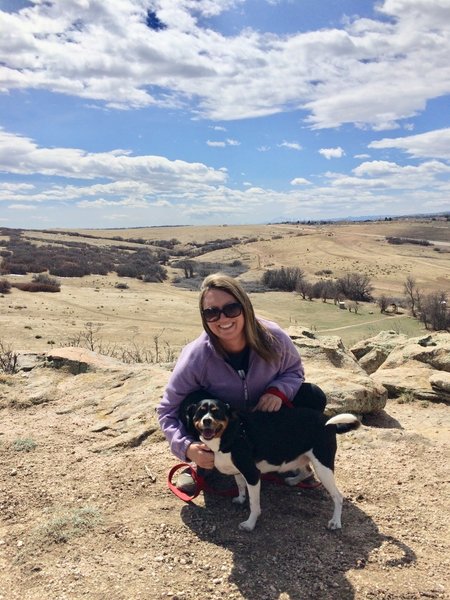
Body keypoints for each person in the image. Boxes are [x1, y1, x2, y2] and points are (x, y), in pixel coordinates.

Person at [157, 273, 327, 490]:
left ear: (245, 306)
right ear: (204, 317)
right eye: (212, 313)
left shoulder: (274, 337)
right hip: (223, 427)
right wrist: (187, 447)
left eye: (231, 309)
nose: (223, 319)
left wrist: (278, 391)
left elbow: (294, 372)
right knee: (191, 402)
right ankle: (203, 465)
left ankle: (285, 458)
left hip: (262, 419)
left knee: (311, 397)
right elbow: (167, 410)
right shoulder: (196, 356)